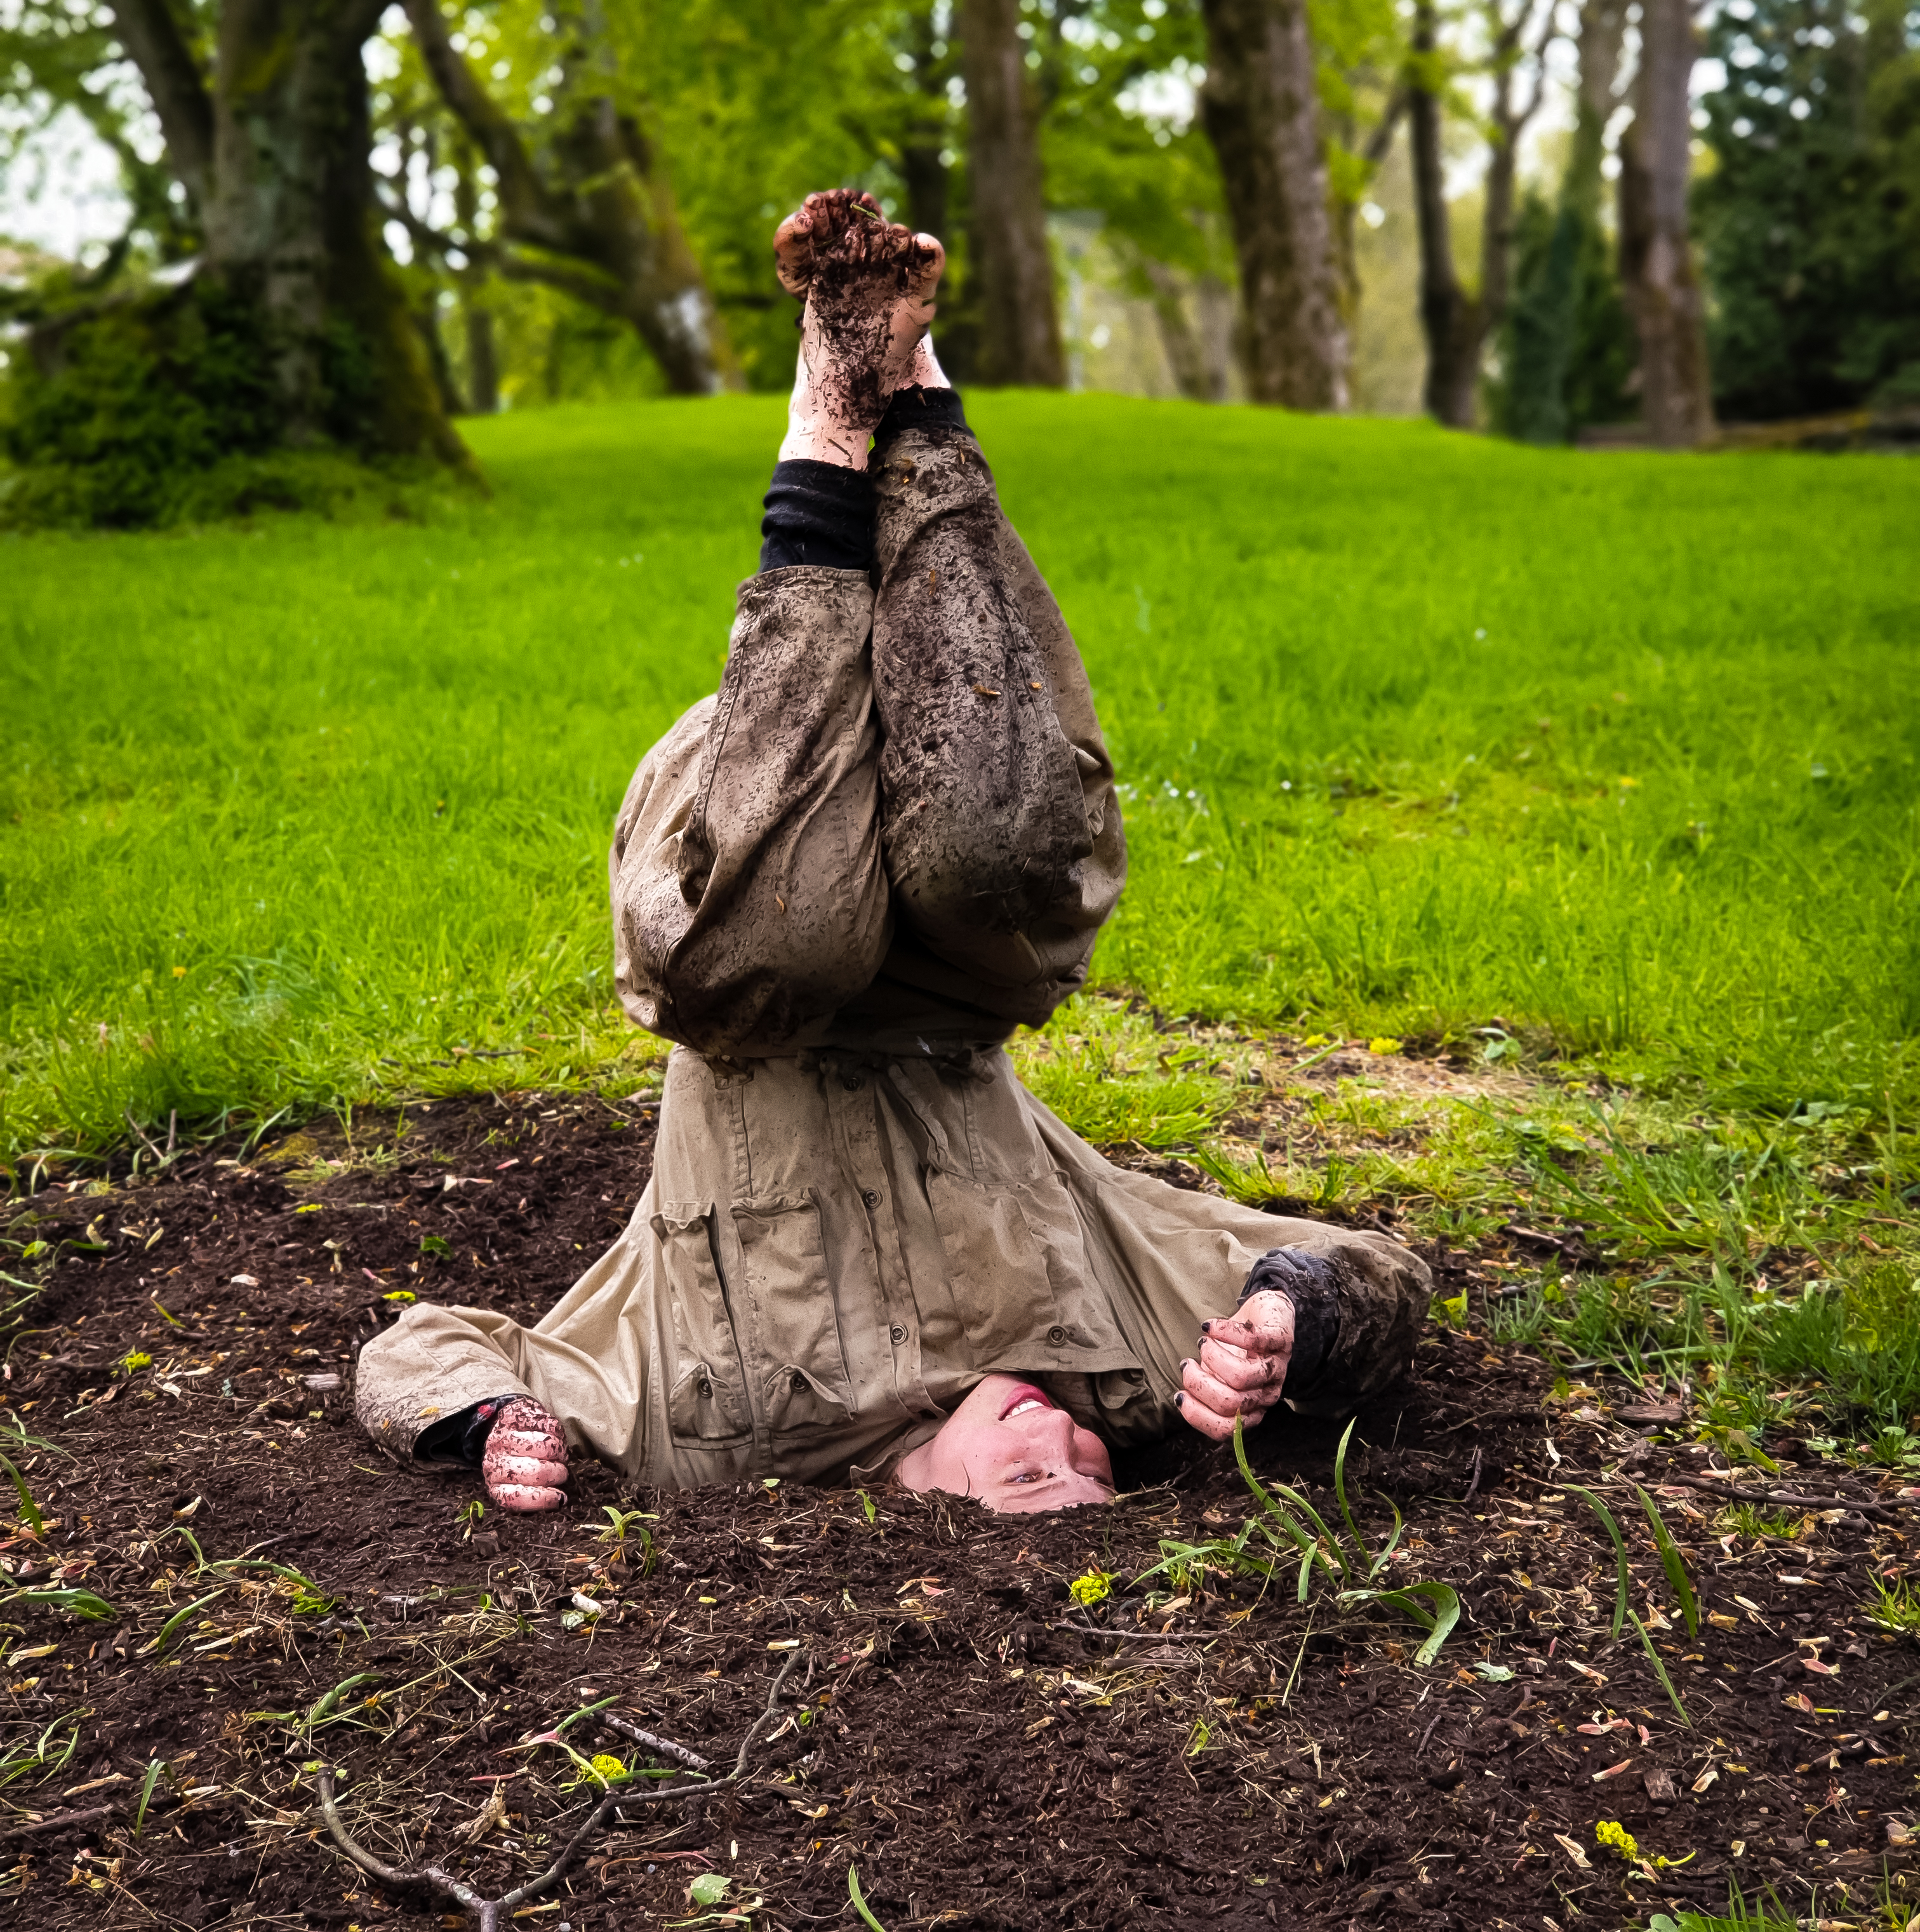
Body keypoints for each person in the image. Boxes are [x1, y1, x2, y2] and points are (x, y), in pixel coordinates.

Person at [353, 192, 1432, 1514]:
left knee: (778, 952)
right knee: (994, 849)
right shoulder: (1149, 1369)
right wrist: (1295, 1314)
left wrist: (489, 1420)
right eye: (1093, 1476)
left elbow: (417, 1348)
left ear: (937, 1520)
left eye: (1031, 1479)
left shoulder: (702, 1441)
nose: (1067, 1444)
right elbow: (1374, 1267)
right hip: (961, 971)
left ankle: (826, 427)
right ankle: (917, 402)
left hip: (758, 812)